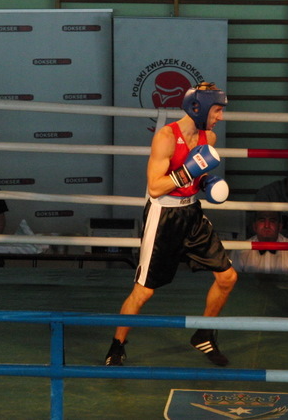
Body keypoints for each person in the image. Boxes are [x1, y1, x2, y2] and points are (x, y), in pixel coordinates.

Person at [104, 82, 238, 367]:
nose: (221, 116)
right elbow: (155, 187)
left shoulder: (209, 137)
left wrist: (207, 182)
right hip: (164, 216)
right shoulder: (166, 137)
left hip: (192, 213)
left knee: (227, 277)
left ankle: (204, 334)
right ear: (199, 108)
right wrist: (188, 171)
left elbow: (197, 175)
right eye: (217, 110)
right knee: (144, 291)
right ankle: (117, 345)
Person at [230, 210, 288, 274]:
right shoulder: (241, 251)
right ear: (254, 226)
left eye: (272, 221)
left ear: (280, 227)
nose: (267, 225)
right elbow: (231, 280)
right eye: (262, 220)